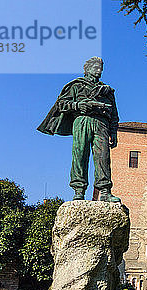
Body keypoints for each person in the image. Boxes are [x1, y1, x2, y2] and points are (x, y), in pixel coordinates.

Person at [38, 57, 120, 202]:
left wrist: (113, 132)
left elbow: (114, 114)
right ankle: (79, 191)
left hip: (102, 124)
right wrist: (77, 106)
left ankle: (105, 191)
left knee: (103, 157)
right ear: (87, 69)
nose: (99, 70)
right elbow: (61, 103)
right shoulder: (76, 86)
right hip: (82, 121)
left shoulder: (107, 91)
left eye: (101, 67)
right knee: (80, 155)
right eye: (96, 67)